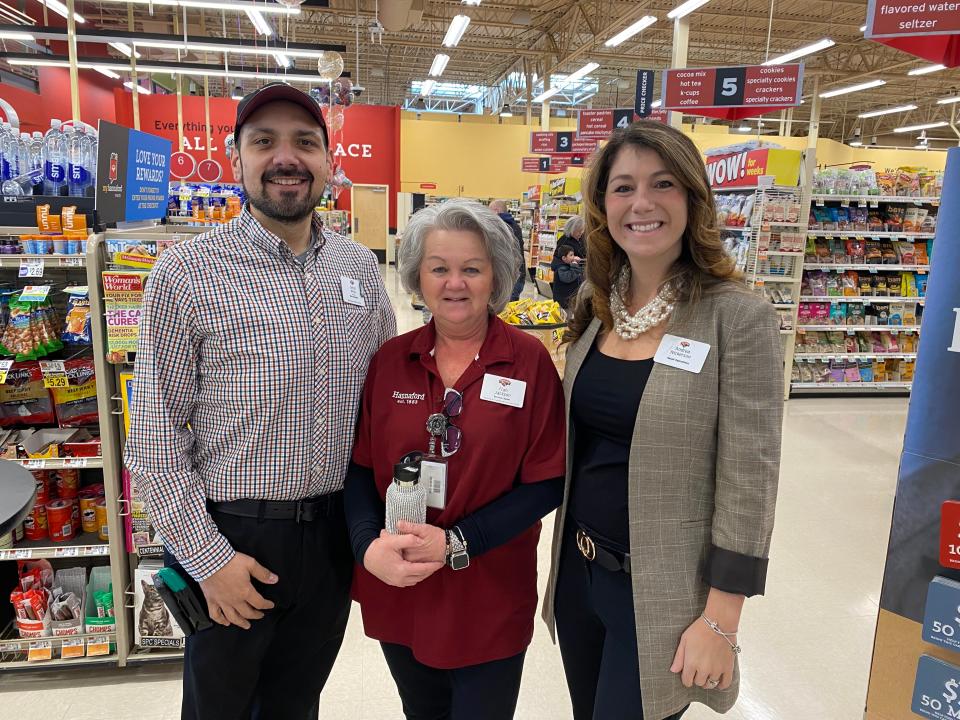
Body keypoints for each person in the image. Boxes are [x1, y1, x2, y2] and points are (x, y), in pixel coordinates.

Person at [125, 83, 396, 720]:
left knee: (297, 705)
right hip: (230, 535)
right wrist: (208, 561)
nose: (286, 158)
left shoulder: (359, 270)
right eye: (264, 141)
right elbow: (157, 437)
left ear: (329, 161)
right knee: (220, 708)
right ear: (235, 156)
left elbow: (386, 406)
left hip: (331, 537)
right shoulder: (188, 270)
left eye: (305, 142)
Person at [541, 120, 783, 720]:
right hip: (578, 573)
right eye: (622, 187)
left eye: (663, 184)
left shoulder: (737, 318)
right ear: (603, 206)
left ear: (692, 199)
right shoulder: (597, 307)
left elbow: (750, 476)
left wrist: (721, 618)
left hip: (663, 589)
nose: (641, 203)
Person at [344, 199, 566, 720]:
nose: (455, 283)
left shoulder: (528, 361)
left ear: (498, 277)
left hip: (487, 590)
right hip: (403, 585)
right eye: (439, 268)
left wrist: (459, 542)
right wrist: (365, 548)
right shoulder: (391, 360)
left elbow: (546, 481)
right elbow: (359, 468)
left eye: (472, 268)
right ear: (418, 277)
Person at [490, 198, 527, 301]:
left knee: (504, 311)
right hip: (517, 275)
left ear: (496, 211)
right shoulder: (514, 225)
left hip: (509, 277)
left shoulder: (500, 227)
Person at [552, 244, 584, 310]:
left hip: (568, 299)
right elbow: (568, 278)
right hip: (563, 301)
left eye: (573, 255)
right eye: (571, 255)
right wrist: (574, 266)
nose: (574, 257)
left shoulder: (568, 265)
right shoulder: (561, 268)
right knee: (565, 316)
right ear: (564, 258)